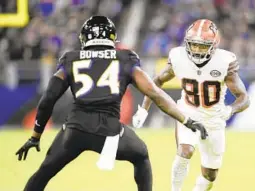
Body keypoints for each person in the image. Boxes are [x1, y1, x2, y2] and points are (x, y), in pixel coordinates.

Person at [15, 16, 208, 191]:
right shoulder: (124, 59)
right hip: (108, 131)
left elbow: (48, 98)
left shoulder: (70, 59)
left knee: (43, 173)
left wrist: (35, 136)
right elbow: (155, 94)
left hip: (74, 131)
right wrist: (186, 120)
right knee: (141, 155)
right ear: (111, 37)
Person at [133, 19, 250, 191]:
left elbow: (244, 98)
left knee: (210, 175)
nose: (196, 50)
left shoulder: (224, 61)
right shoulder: (178, 56)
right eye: (193, 45)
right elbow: (155, 83)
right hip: (188, 112)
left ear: (214, 45)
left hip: (214, 119)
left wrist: (230, 110)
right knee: (185, 152)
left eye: (202, 46)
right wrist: (144, 108)